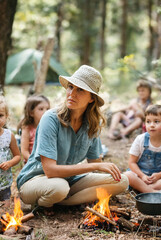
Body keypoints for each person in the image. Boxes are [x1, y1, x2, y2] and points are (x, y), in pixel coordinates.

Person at [16, 65, 129, 214]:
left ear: (91, 98)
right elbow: (50, 171)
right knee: (59, 187)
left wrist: (106, 167)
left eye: (80, 90)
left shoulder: (92, 124)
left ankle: (62, 203)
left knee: (122, 181)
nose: (72, 94)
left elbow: (95, 163)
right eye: (70, 87)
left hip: (69, 180)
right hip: (35, 180)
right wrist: (94, 168)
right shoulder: (50, 118)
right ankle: (47, 200)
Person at [124, 104, 161, 194]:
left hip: (157, 178)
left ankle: (145, 189)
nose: (151, 125)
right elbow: (131, 162)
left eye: (156, 122)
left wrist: (159, 175)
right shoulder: (140, 139)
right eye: (148, 121)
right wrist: (142, 176)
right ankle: (151, 191)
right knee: (127, 175)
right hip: (140, 175)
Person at [17, 95, 50, 163]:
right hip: (31, 163)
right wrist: (34, 161)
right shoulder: (27, 129)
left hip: (47, 163)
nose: (46, 111)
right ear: (31, 113)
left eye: (47, 109)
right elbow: (24, 151)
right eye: (41, 109)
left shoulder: (49, 127)